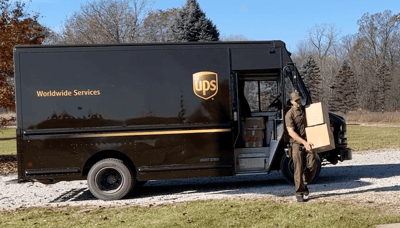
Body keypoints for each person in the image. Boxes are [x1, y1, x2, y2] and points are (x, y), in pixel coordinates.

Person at [285, 91, 317, 202]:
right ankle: (299, 192)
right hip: (297, 144)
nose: (298, 102)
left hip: (309, 142)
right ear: (291, 102)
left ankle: (305, 183)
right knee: (298, 168)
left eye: (299, 99)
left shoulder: (305, 110)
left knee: (313, 165)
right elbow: (291, 132)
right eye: (296, 100)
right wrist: (304, 142)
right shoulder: (289, 114)